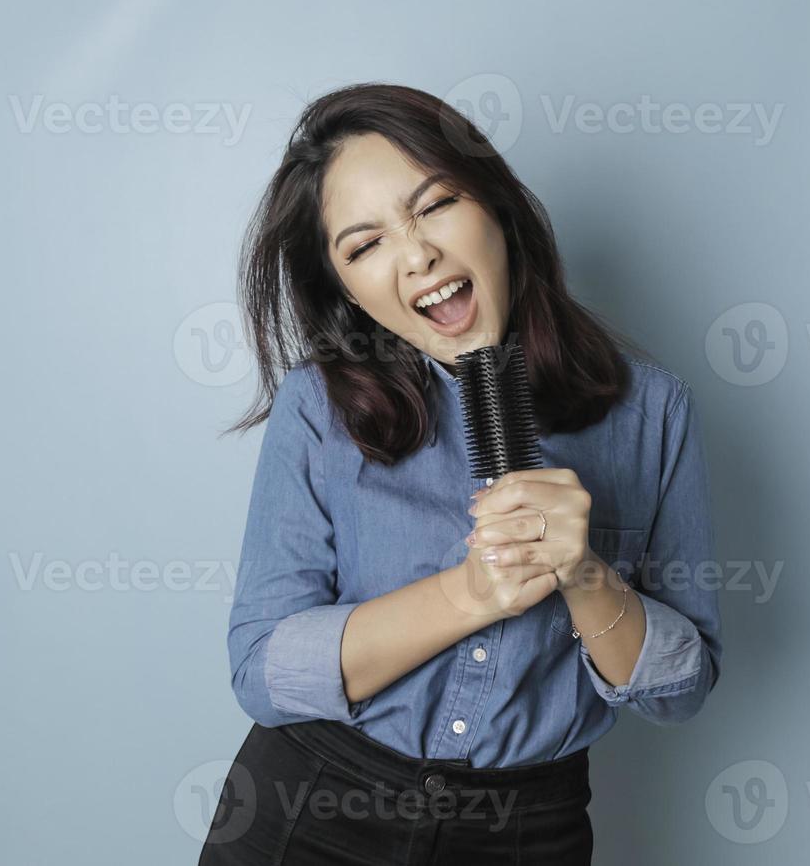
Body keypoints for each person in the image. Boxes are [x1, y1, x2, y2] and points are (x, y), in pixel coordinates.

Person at [197, 82, 722, 865]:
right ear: (345, 288)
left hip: (525, 835)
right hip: (309, 808)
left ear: (496, 206)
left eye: (434, 205)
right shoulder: (317, 408)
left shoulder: (650, 413)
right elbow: (262, 671)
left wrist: (582, 573)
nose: (416, 256)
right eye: (363, 245)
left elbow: (681, 690)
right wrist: (470, 594)